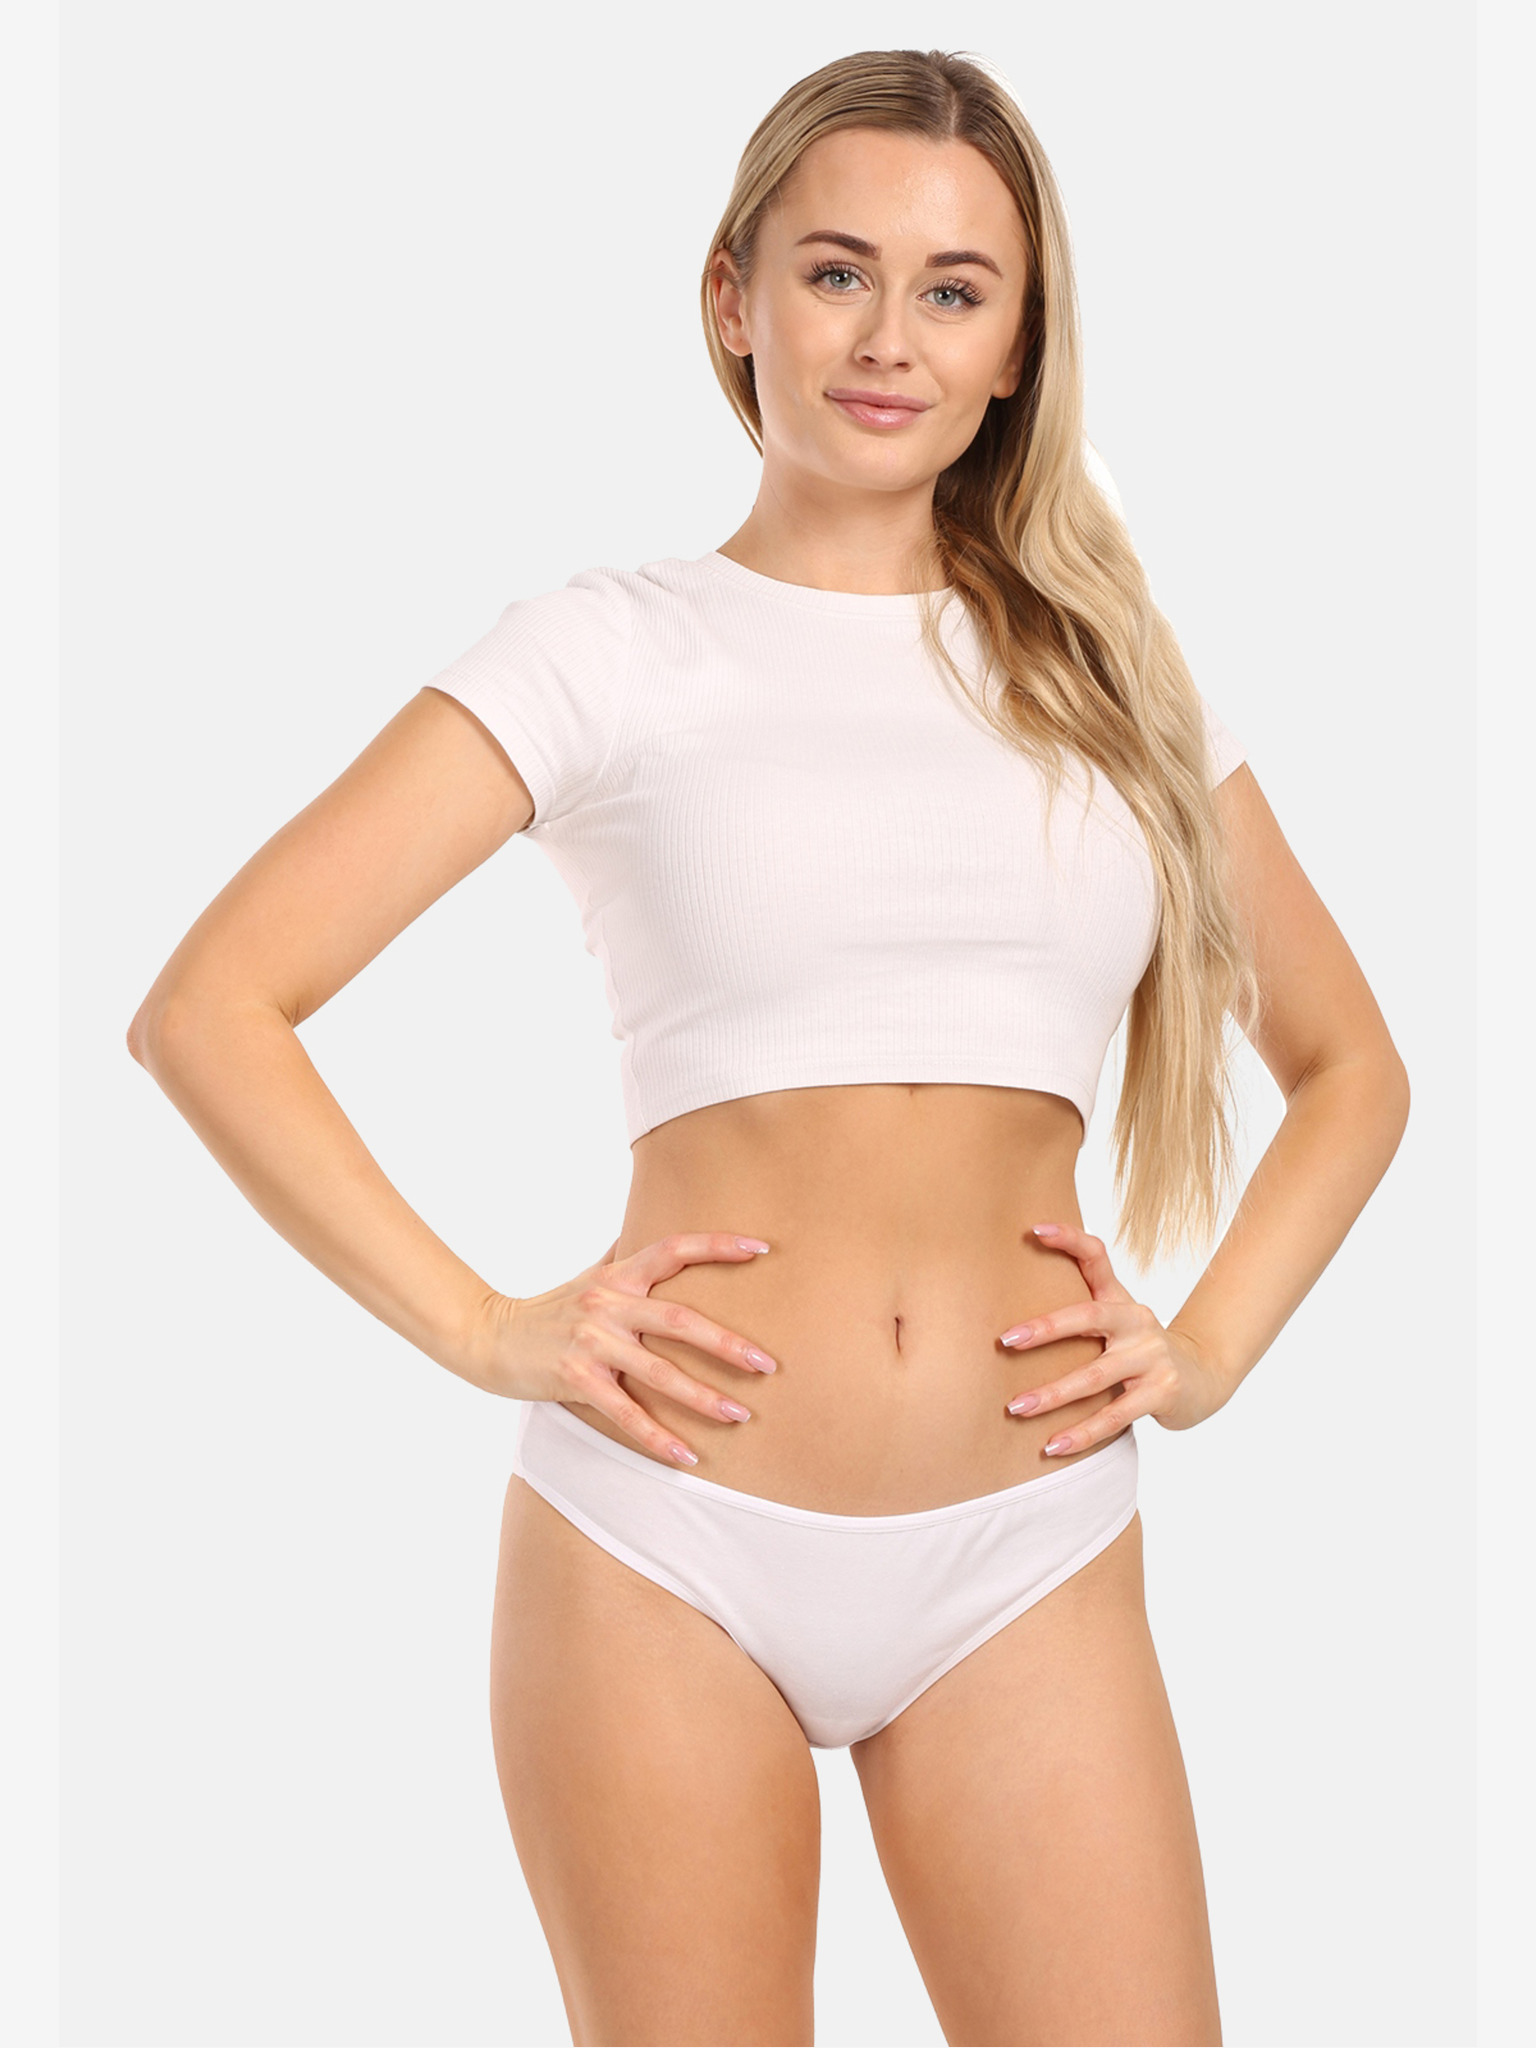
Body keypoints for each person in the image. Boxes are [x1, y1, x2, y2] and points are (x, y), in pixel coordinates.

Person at [127, 45, 1410, 2048]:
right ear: (733, 299)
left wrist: (1213, 1348)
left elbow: (1351, 1067)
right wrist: (479, 1325)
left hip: (1029, 1541)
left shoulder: (1117, 678)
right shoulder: (608, 650)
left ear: (1018, 345)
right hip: (665, 1536)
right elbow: (212, 1003)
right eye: (836, 273)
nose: (890, 338)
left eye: (955, 289)